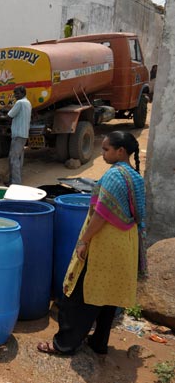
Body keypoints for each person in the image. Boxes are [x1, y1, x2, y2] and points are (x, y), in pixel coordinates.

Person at [37, 131, 147, 356]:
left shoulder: (114, 176)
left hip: (105, 243)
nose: (103, 153)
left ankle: (64, 344)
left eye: (106, 149)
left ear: (121, 151)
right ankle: (98, 343)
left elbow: (101, 215)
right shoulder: (135, 176)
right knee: (108, 296)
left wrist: (83, 240)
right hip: (125, 243)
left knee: (79, 296)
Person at [3, 85, 32, 185]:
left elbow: (9, 116)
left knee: (14, 159)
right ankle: (13, 181)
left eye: (17, 93)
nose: (15, 95)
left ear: (23, 93)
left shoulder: (19, 103)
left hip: (18, 134)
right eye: (14, 93)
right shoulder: (27, 102)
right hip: (23, 134)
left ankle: (15, 184)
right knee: (19, 159)